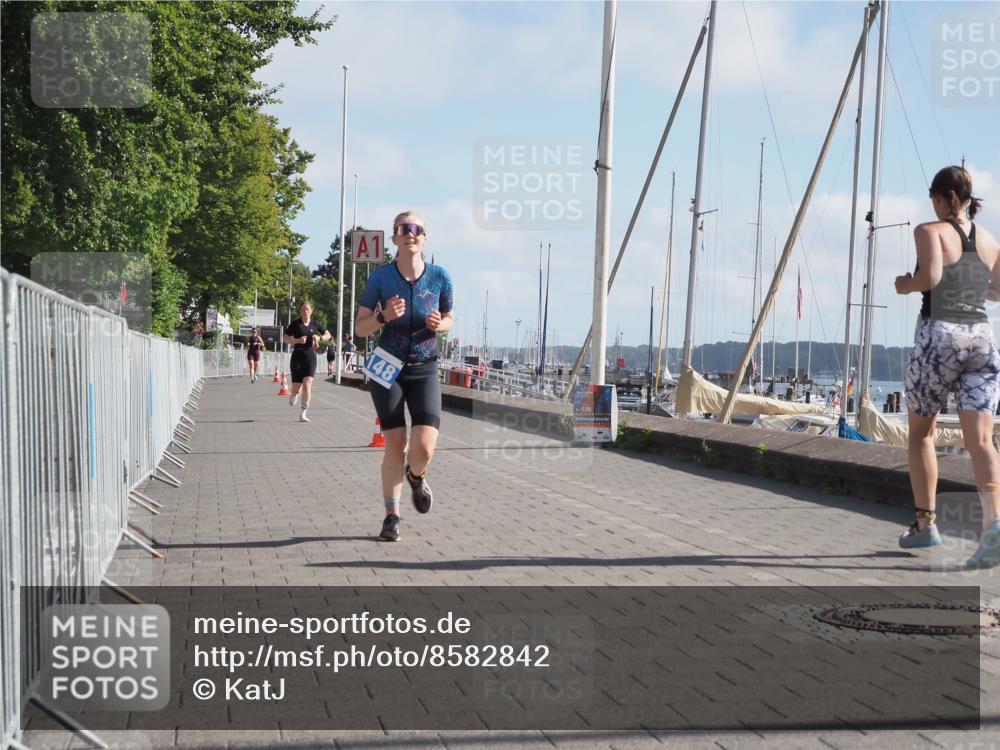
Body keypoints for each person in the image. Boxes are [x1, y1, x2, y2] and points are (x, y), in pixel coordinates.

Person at [895, 165, 1000, 567]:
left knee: (922, 433)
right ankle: (993, 524)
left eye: (933, 199)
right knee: (982, 440)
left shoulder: (929, 231)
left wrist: (907, 283)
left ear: (941, 197)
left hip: (940, 337)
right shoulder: (990, 240)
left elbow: (931, 277)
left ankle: (925, 526)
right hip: (982, 340)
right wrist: (976, 286)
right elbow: (999, 291)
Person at [355, 211, 454, 542]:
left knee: (424, 447)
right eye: (403, 229)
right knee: (395, 445)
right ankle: (391, 516)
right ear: (395, 238)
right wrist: (383, 316)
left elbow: (451, 317)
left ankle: (417, 475)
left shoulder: (440, 277)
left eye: (417, 229)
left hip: (424, 367)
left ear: (424, 238)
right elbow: (361, 327)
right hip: (388, 367)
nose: (410, 234)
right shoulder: (381, 279)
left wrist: (442, 324)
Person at [282, 301, 331, 423]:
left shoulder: (315, 324)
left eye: (307, 309)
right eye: (303, 309)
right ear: (300, 311)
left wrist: (320, 338)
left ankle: (303, 413)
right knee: (296, 388)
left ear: (311, 311)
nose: (305, 311)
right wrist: (297, 340)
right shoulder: (295, 324)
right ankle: (294, 394)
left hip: (310, 355)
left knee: (307, 385)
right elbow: (285, 338)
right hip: (297, 356)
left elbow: (328, 334)